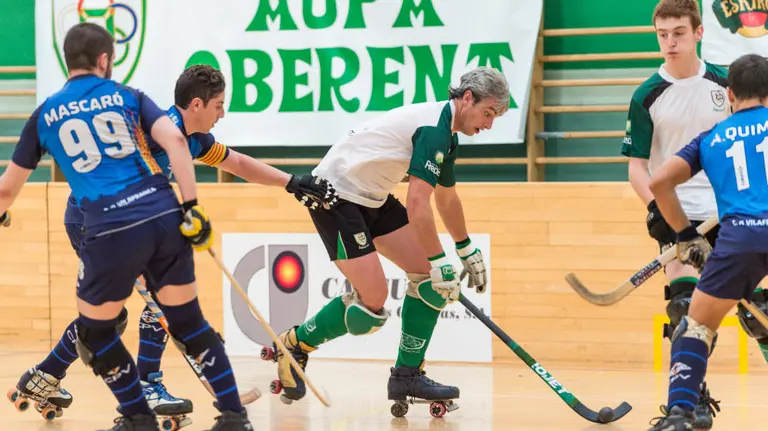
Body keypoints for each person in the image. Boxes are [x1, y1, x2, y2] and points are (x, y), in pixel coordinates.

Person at [10, 63, 337, 427]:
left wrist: (291, 182)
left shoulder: (195, 140)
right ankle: (149, 385)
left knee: (113, 317)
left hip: (127, 227)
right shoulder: (152, 131)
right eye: (218, 104)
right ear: (196, 105)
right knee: (159, 302)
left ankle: (42, 378)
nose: (222, 112)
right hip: (96, 224)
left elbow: (239, 163)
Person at [0, 23, 253, 431]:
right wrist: (191, 209)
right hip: (158, 215)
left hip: (107, 225)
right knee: (181, 320)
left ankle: (135, 406)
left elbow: (5, 191)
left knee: (106, 326)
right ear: (105, 60)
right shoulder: (128, 97)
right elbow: (174, 142)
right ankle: (230, 416)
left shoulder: (45, 112)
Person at [261, 66, 507, 414]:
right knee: (371, 306)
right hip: (336, 196)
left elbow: (447, 199)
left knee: (429, 282)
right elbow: (419, 204)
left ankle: (407, 375)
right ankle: (295, 343)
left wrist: (465, 248)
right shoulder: (434, 128)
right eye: (489, 113)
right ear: (467, 98)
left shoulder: (447, 135)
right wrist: (440, 262)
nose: (489, 124)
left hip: (373, 198)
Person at [620, 1, 743, 426]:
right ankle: (688, 399)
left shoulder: (726, 84)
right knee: (685, 307)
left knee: (752, 309)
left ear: (698, 33)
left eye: (678, 33)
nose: (669, 42)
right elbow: (637, 165)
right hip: (677, 215)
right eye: (662, 34)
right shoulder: (646, 95)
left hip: (729, 213)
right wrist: (655, 208)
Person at [646, 53, 768, 430]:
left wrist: (685, 234)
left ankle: (679, 416)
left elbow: (659, 183)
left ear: (730, 93)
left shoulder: (712, 138)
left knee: (696, 325)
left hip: (740, 238)